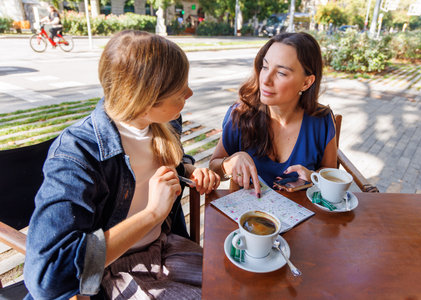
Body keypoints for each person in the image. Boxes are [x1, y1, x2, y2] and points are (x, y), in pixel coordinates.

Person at [24, 30, 220, 299]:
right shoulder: (77, 153)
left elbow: (157, 167)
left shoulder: (165, 123)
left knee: (238, 283)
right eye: (180, 89)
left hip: (165, 247)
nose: (190, 92)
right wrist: (152, 214)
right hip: (112, 273)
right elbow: (48, 278)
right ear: (145, 99)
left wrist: (187, 170)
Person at [209, 32, 337, 197]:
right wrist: (230, 163)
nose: (265, 80)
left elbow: (330, 172)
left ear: (306, 83)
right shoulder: (241, 114)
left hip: (304, 218)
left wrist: (313, 176)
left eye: (281, 73)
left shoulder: (322, 120)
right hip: (249, 218)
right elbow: (214, 167)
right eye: (265, 66)